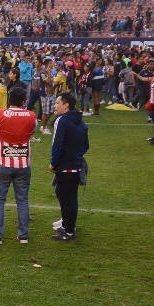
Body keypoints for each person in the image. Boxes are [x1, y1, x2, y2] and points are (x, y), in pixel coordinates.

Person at [0, 86, 38, 245]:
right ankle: (23, 235)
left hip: (4, 163)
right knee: (22, 200)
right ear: (23, 101)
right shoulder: (32, 116)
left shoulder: (0, 115)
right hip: (23, 164)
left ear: (9, 100)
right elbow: (32, 131)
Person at [50, 93, 89, 242]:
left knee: (68, 198)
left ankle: (69, 231)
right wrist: (77, 155)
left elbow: (57, 144)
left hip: (66, 167)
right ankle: (67, 224)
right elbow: (86, 145)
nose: (55, 105)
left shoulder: (62, 121)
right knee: (65, 194)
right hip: (76, 166)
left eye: (57, 102)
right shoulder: (81, 122)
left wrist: (54, 162)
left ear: (66, 105)